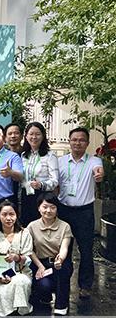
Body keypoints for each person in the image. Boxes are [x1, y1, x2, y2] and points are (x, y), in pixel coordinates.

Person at [57, 127, 103, 299]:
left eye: (81, 140)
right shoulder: (60, 161)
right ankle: (62, 283)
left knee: (86, 250)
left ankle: (85, 286)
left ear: (87, 143)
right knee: (64, 249)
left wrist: (99, 175)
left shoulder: (94, 161)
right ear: (69, 141)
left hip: (84, 212)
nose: (77, 143)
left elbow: (98, 171)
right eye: (74, 139)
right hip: (63, 210)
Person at [28, 193, 73, 315]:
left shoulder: (65, 226)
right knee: (44, 285)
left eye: (52, 207)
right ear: (39, 208)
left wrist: (60, 259)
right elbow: (29, 250)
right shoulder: (32, 226)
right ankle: (45, 296)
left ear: (57, 209)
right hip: (40, 263)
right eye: (45, 207)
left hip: (58, 262)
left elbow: (65, 247)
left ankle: (61, 305)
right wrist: (40, 266)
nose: (48, 210)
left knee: (63, 270)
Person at [0, 201, 33, 316]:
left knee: (19, 281)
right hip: (1, 275)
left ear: (16, 215)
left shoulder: (24, 233)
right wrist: (0, 276)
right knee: (1, 290)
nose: (8, 218)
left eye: (12, 214)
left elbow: (28, 259)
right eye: (4, 214)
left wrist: (17, 258)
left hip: (21, 271)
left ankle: (20, 310)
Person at [19, 122, 59, 226]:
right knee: (26, 225)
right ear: (26, 136)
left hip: (42, 197)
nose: (34, 137)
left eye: (37, 134)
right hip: (26, 195)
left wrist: (41, 185)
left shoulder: (50, 156)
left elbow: (55, 180)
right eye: (31, 134)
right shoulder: (24, 155)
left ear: (43, 136)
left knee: (41, 226)